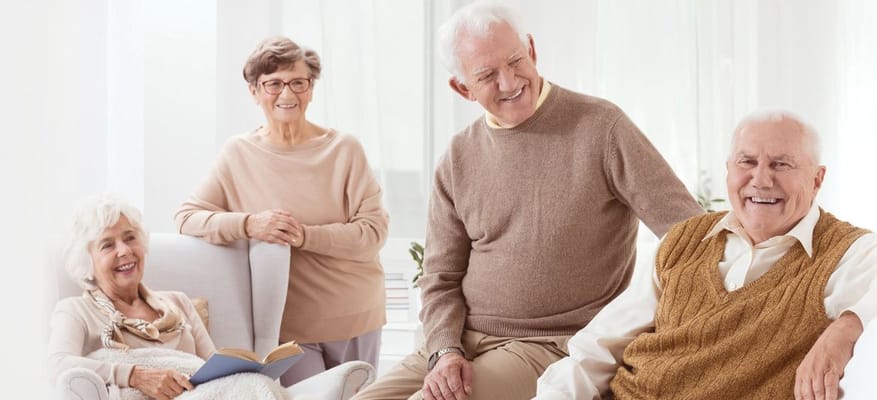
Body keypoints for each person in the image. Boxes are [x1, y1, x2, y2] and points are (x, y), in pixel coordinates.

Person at [352, 2, 702, 400]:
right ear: (462, 88)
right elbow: (440, 278)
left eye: (515, 60)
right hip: (460, 342)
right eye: (487, 75)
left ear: (532, 50)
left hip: (550, 343)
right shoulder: (458, 156)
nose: (509, 81)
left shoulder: (602, 128)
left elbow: (689, 233)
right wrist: (445, 350)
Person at [535, 111, 877, 400]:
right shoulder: (683, 239)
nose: (761, 179)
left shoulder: (849, 251)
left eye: (781, 164)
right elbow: (599, 347)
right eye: (747, 162)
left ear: (817, 179)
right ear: (729, 169)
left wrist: (847, 327)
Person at [175, 36, 389, 386]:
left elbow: (373, 232)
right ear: (254, 91)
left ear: (311, 89)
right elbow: (187, 217)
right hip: (289, 328)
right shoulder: (238, 153)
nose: (287, 94)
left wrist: (305, 235)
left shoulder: (344, 149)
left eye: (298, 83)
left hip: (357, 316)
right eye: (273, 84)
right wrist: (249, 224)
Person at [48, 195, 215, 399]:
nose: (124, 251)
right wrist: (134, 375)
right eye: (107, 245)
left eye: (130, 238)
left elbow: (214, 370)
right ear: (87, 263)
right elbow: (57, 366)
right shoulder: (75, 310)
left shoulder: (178, 302)